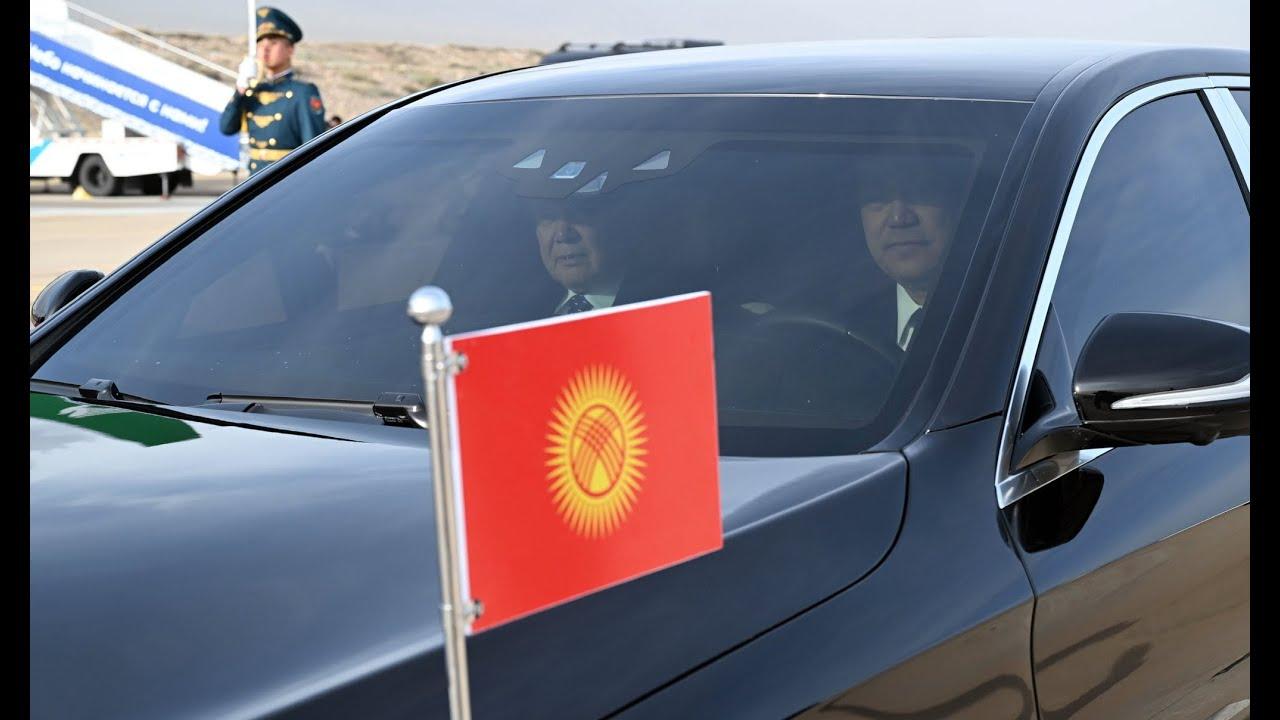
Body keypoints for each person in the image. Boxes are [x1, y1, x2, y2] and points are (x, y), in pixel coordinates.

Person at [855, 148, 973, 351]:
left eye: (920, 192)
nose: (898, 218)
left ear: (957, 204)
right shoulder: (843, 328)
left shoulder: (1013, 317)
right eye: (878, 198)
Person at [219, 7, 327, 175]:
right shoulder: (251, 91)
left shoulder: (303, 92)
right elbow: (226, 128)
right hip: (255, 178)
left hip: (286, 177)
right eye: (260, 44)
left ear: (290, 49)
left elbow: (314, 148)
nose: (265, 49)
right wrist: (240, 88)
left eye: (273, 43)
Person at [533, 200, 627, 316]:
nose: (562, 235)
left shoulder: (646, 305)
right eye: (548, 217)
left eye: (579, 213)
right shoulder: (521, 312)